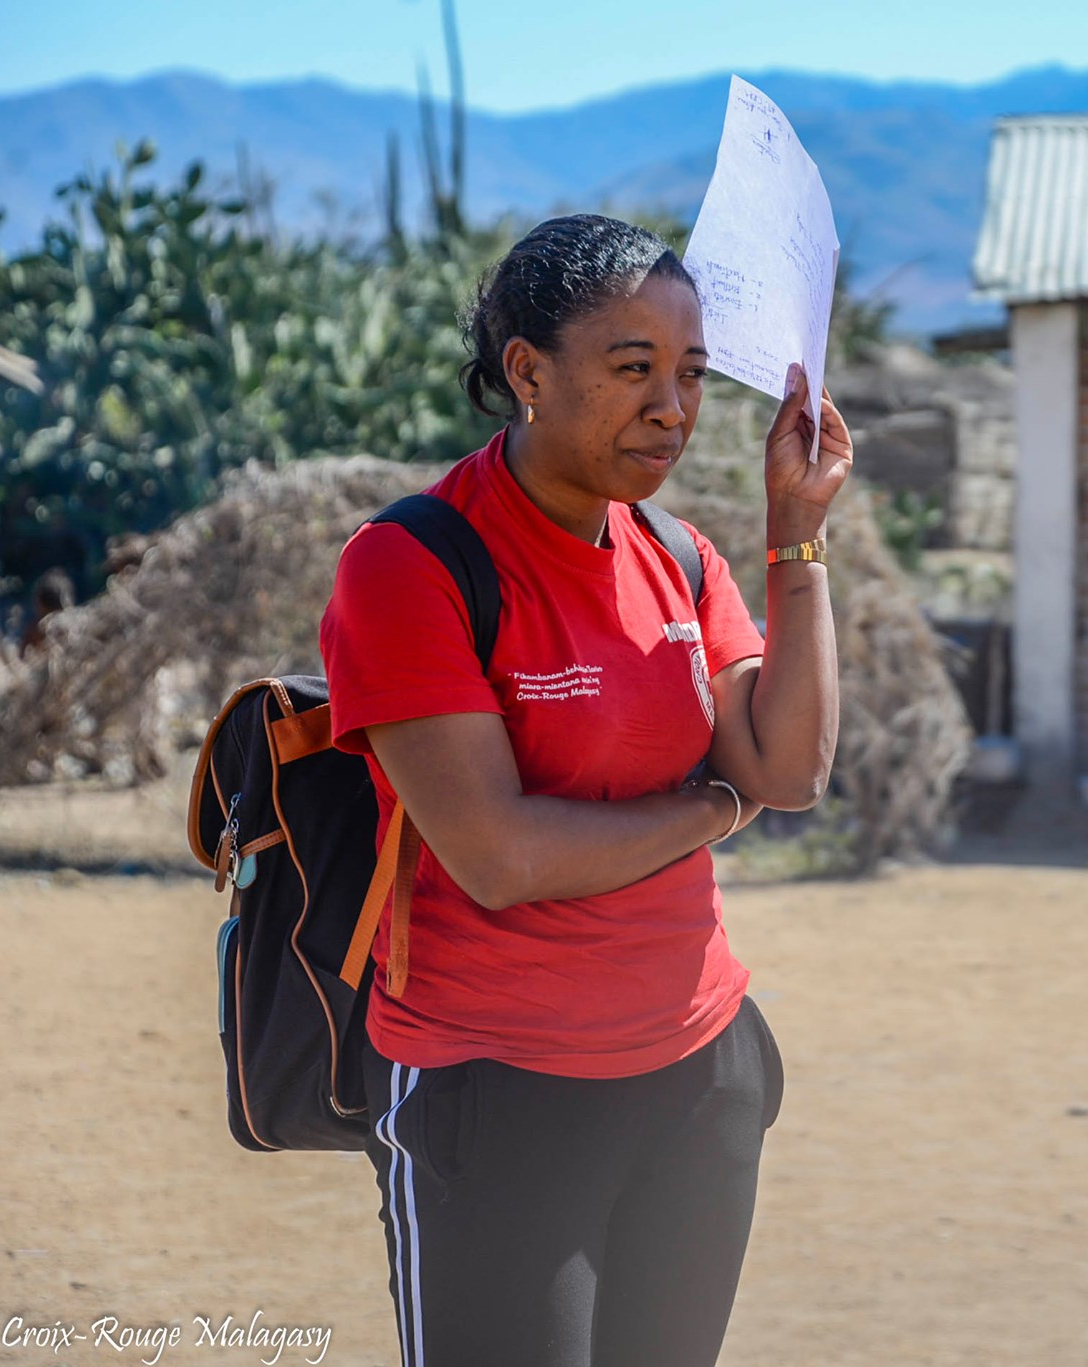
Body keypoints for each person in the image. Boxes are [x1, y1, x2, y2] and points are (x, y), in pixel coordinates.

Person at [318, 213, 853, 1367]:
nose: (673, 405)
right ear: (526, 371)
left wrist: (794, 534)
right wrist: (710, 811)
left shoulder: (681, 555)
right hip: (495, 1092)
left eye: (692, 373)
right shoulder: (412, 564)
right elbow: (499, 855)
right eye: (631, 369)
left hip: (697, 1076)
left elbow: (789, 767)